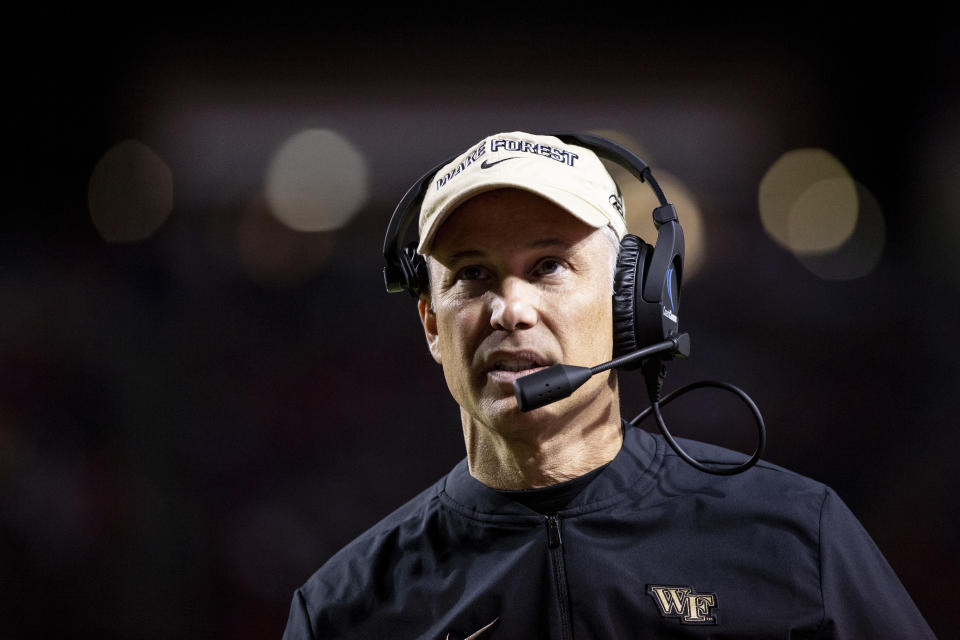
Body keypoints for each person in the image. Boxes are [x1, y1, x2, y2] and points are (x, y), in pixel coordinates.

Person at [281, 132, 935, 639]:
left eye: (549, 266)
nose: (510, 308)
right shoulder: (346, 607)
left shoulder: (794, 537)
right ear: (430, 323)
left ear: (635, 299)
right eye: (473, 275)